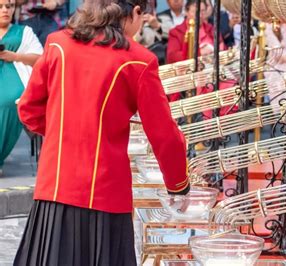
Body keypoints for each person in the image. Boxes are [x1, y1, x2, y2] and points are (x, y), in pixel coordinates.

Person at [14, 0, 189, 264]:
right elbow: (164, 134)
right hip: (105, 191)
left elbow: (28, 109)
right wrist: (178, 185)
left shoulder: (58, 43)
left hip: (55, 185)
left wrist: (65, 134)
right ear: (135, 12)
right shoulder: (139, 60)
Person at [0, 0, 42, 176]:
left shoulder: (24, 32)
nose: (5, 10)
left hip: (15, 75)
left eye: (8, 6)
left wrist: (14, 56)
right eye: (0, 6)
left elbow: (40, 58)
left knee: (7, 100)